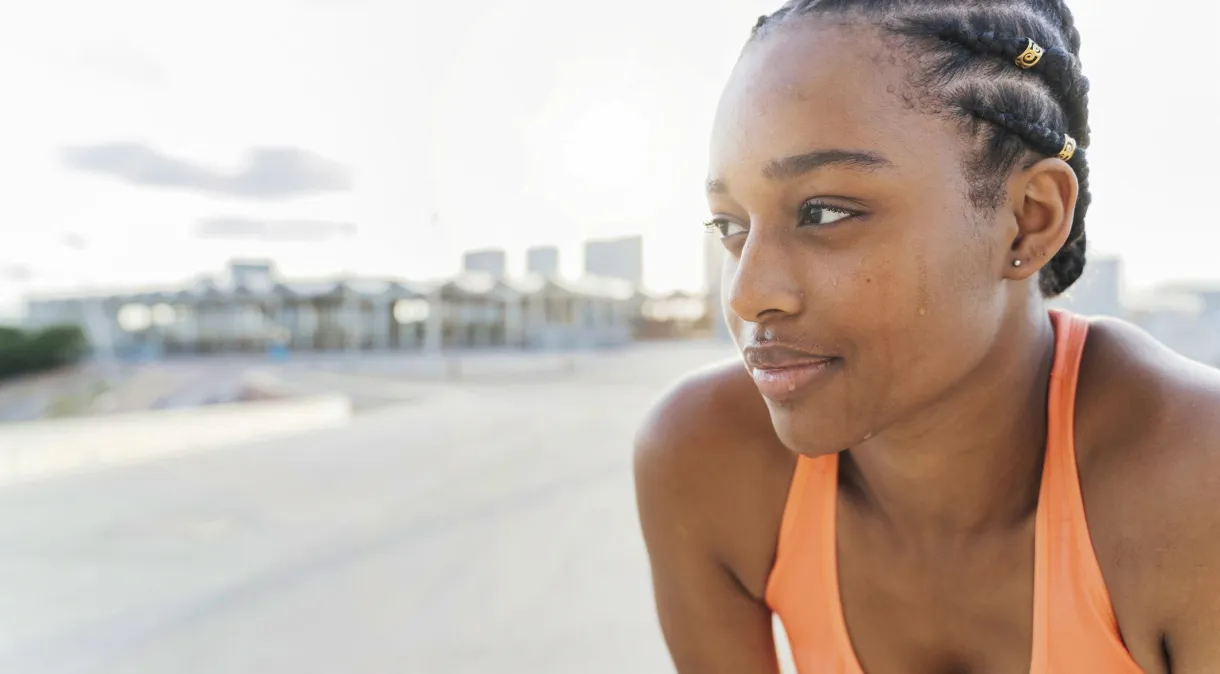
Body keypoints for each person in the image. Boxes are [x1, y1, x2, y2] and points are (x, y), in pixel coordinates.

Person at [633, 1, 1220, 672]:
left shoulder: (1194, 482)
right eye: (729, 226)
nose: (747, 294)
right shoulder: (710, 460)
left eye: (823, 212)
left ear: (1027, 221)